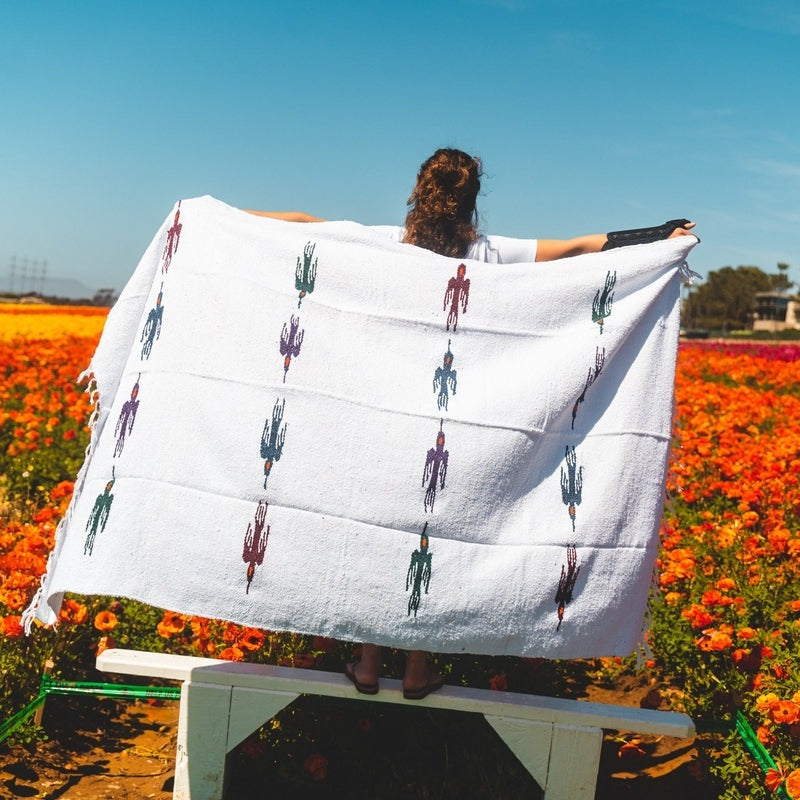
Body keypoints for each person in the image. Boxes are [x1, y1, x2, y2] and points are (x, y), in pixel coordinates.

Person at [248, 147, 698, 699]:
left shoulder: (388, 245)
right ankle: (417, 671)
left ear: (418, 190)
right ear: (472, 198)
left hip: (393, 423)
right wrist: (656, 235)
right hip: (458, 426)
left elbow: (302, 223)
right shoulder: (490, 252)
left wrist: (213, 214)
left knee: (382, 537)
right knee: (434, 539)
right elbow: (580, 248)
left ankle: (367, 665)